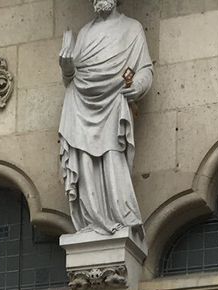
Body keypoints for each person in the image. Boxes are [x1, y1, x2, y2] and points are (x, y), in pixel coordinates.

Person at [57, 0, 154, 236]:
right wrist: (67, 66)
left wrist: (138, 86)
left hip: (113, 103)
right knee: (85, 162)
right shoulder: (85, 33)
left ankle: (119, 216)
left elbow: (145, 69)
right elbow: (71, 78)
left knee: (112, 159)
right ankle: (93, 221)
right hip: (80, 104)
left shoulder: (132, 28)